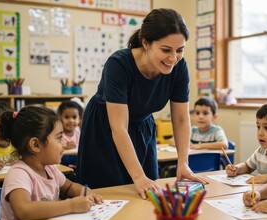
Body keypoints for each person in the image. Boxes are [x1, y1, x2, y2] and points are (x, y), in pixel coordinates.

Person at [77, 8, 207, 199]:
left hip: (142, 128)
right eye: (165, 50)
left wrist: (183, 162)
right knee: (109, 194)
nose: (173, 58)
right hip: (105, 129)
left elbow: (180, 119)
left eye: (179, 50)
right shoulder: (118, 64)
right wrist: (138, 176)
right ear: (146, 43)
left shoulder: (179, 68)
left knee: (147, 193)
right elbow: (119, 127)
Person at [0, 106, 103, 220]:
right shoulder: (19, 174)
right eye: (59, 138)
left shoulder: (50, 169)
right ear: (35, 145)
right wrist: (70, 205)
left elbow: (69, 187)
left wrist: (85, 192)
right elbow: (23, 210)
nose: (63, 144)